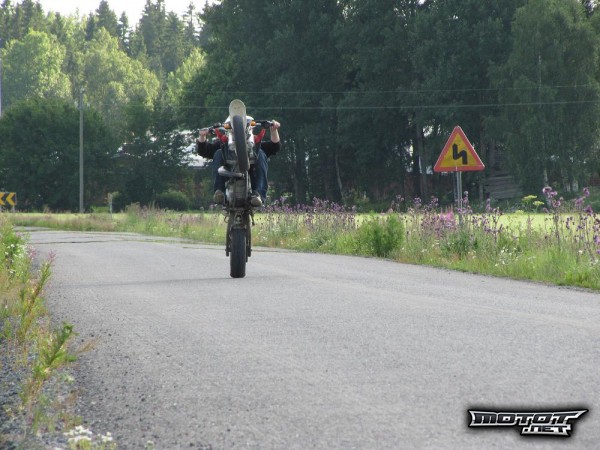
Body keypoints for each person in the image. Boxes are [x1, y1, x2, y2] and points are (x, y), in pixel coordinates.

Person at [196, 117, 281, 207]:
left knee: (261, 153)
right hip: (228, 176)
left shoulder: (256, 146)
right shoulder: (223, 145)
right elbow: (204, 150)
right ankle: (219, 192)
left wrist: (274, 130)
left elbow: (274, 147)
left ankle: (258, 194)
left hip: (252, 178)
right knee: (218, 153)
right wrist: (202, 136)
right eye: (232, 127)